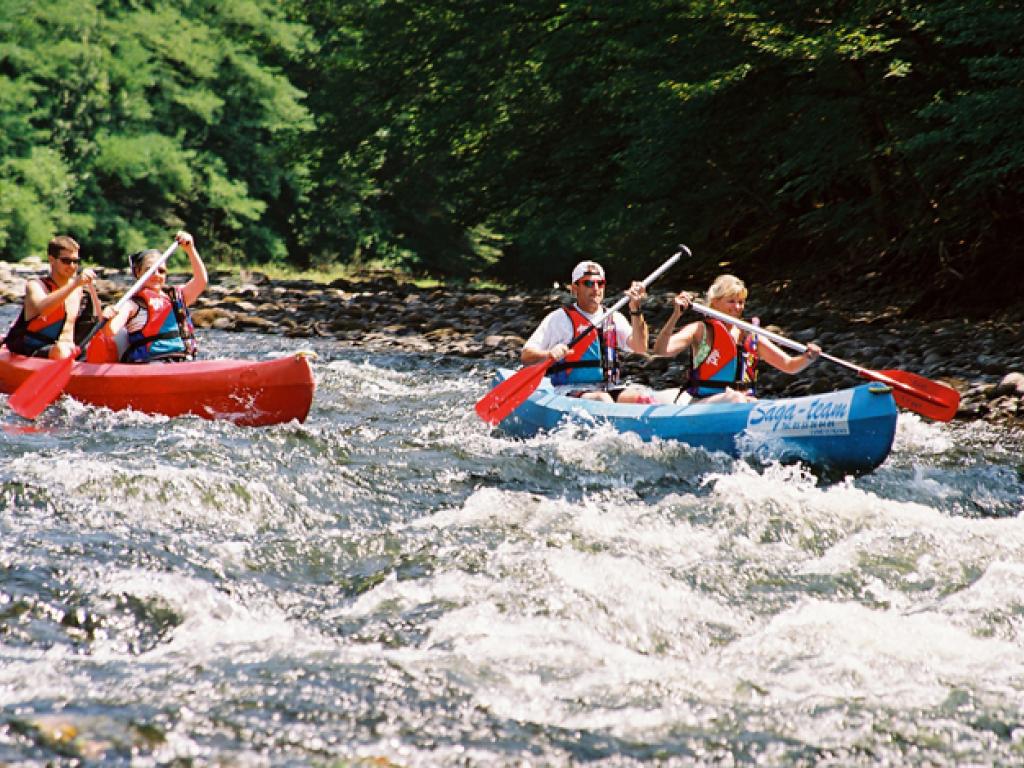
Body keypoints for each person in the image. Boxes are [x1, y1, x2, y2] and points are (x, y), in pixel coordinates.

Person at [652, 274, 821, 404]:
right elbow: (661, 350)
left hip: (742, 402)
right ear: (715, 303)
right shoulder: (701, 330)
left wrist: (808, 357)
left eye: (741, 302)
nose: (737, 307)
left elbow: (789, 366)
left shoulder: (749, 334)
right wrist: (675, 315)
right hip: (702, 403)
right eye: (731, 301)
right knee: (736, 399)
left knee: (744, 400)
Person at [521, 260, 652, 403]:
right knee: (602, 399)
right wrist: (549, 354)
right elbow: (526, 356)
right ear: (574, 288)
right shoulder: (559, 318)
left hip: (607, 387)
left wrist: (635, 309)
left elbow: (640, 347)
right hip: (569, 390)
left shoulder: (614, 317)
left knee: (642, 398)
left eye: (600, 283)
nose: (596, 288)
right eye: (588, 283)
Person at [101, 230, 207, 363]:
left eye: (161, 271)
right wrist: (107, 317)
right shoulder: (132, 304)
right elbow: (110, 331)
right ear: (138, 272)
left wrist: (190, 249)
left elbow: (201, 281)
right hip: (150, 362)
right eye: (150, 270)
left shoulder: (176, 297)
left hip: (181, 359)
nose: (156, 274)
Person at [1, 235, 103, 359]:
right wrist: (75, 284)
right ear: (52, 260)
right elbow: (43, 309)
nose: (72, 266)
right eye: (66, 261)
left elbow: (99, 321)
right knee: (61, 350)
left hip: (71, 351)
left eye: (75, 261)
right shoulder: (36, 286)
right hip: (37, 349)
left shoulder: (80, 290)